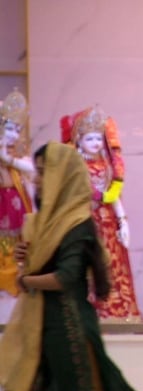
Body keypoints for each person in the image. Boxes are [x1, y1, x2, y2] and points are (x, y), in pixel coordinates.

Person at [0, 142, 143, 391]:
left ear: (63, 176)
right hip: (41, 329)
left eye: (45, 173)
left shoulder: (78, 223)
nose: (37, 180)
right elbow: (43, 264)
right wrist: (27, 256)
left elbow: (65, 277)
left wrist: (26, 281)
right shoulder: (46, 222)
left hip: (70, 330)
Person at [60, 106, 142, 322]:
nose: (96, 143)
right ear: (79, 140)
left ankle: (113, 312)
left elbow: (113, 195)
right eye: (90, 139)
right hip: (83, 223)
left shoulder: (107, 165)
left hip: (107, 225)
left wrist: (123, 221)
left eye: (98, 138)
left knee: (111, 266)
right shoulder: (73, 165)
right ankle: (85, 312)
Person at [0, 89, 35, 323]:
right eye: (8, 128)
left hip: (18, 237)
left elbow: (34, 172)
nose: (13, 135)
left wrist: (7, 158)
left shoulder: (19, 160)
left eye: (16, 130)